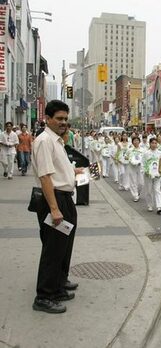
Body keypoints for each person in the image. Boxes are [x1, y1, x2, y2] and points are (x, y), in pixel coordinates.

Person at [31, 100, 83, 314]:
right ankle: (44, 296)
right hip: (55, 200)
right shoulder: (44, 141)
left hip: (65, 198)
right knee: (53, 249)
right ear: (48, 119)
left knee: (64, 246)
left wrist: (75, 173)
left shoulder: (57, 141)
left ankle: (59, 285)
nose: (63, 122)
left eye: (65, 119)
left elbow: (59, 170)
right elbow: (45, 177)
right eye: (59, 119)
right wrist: (54, 208)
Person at [143, 138, 161, 214]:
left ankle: (159, 206)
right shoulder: (146, 153)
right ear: (150, 144)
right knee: (149, 190)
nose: (154, 144)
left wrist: (160, 172)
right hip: (148, 175)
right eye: (152, 143)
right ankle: (150, 205)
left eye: (155, 143)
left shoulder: (160, 153)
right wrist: (146, 171)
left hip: (157, 174)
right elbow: (143, 163)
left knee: (157, 189)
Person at [126, 136, 144, 202]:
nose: (136, 142)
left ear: (139, 141)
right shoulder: (129, 150)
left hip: (140, 167)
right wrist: (130, 159)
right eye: (134, 140)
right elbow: (126, 157)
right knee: (133, 181)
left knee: (141, 183)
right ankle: (135, 195)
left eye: (137, 140)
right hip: (132, 167)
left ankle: (138, 192)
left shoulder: (142, 150)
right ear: (132, 142)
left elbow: (144, 158)